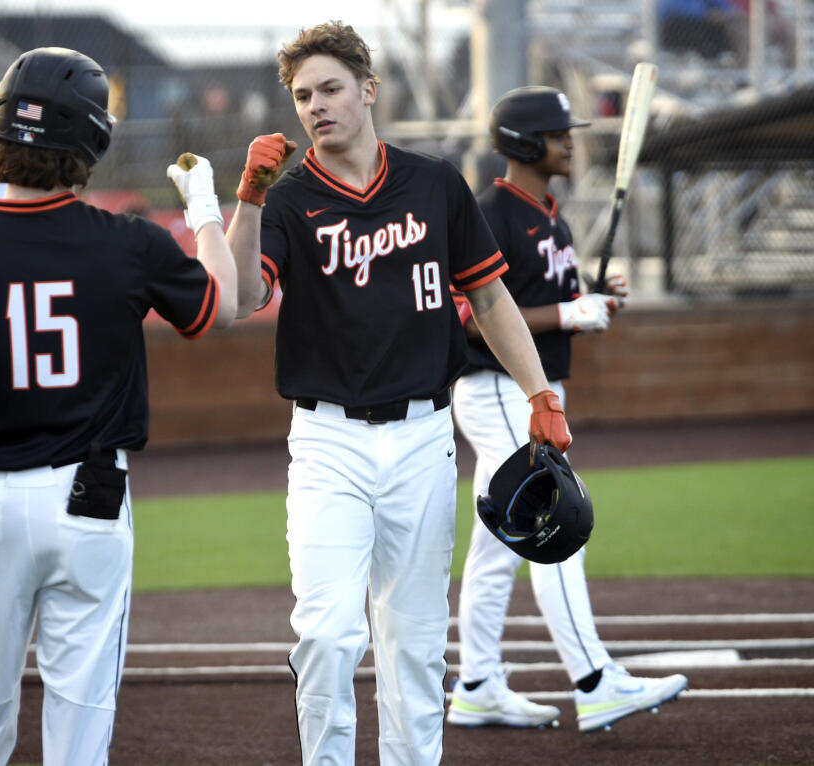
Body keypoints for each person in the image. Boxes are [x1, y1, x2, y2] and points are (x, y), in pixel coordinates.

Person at [226, 21, 573, 765]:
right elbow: (242, 295)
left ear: (369, 91)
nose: (315, 106)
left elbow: (489, 298)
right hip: (328, 439)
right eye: (301, 95)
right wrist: (249, 199)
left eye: (330, 89)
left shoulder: (435, 182)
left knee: (414, 645)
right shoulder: (288, 199)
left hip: (422, 437)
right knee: (326, 634)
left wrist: (541, 394)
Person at [0, 46, 237, 765]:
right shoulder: (129, 243)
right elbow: (219, 308)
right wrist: (204, 207)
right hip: (90, 501)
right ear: (92, 141)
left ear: (0, 136)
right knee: (79, 727)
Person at [446, 86, 688, 735]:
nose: (572, 142)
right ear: (526, 143)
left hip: (532, 389)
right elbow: (468, 315)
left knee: (499, 548)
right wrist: (566, 313)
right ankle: (595, 680)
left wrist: (588, 300)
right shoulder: (491, 213)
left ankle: (476, 684)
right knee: (558, 526)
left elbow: (541, 302)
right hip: (499, 390)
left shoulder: (550, 216)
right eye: (561, 134)